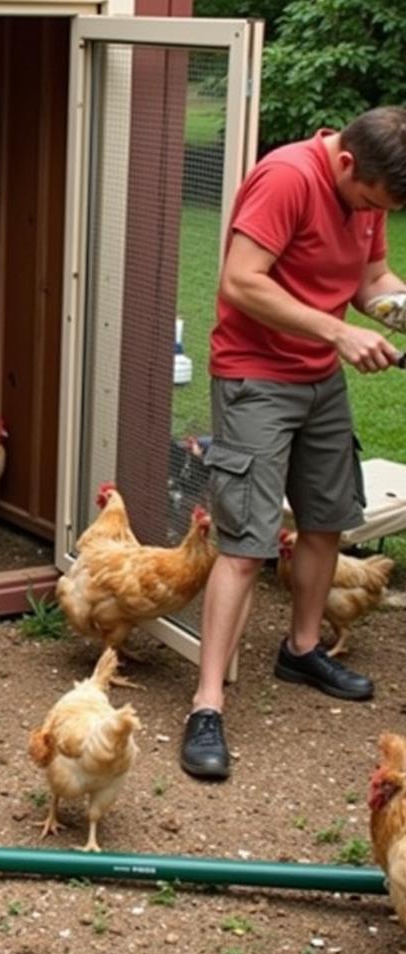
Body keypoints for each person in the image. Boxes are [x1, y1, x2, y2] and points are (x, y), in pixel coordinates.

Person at [180, 107, 406, 781]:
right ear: (344, 164)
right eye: (370, 199)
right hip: (255, 375)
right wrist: (337, 334)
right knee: (246, 545)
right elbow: (241, 281)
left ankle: (302, 648)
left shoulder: (367, 194)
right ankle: (207, 703)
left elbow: (371, 282)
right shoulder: (285, 177)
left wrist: (400, 306)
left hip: (317, 378)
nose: (373, 213)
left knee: (328, 517)